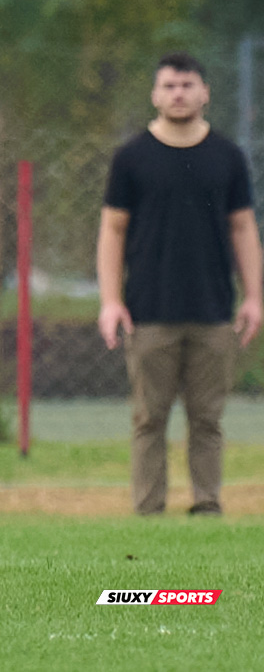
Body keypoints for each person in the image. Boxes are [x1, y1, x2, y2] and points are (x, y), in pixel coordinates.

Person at [97, 52, 263, 516]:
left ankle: (207, 503)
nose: (178, 94)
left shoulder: (227, 157)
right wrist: (111, 300)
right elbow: (112, 230)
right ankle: (149, 509)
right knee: (149, 419)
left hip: (213, 310)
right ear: (155, 94)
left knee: (207, 419)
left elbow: (243, 228)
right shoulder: (132, 158)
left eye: (187, 85)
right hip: (149, 310)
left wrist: (254, 296)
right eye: (169, 86)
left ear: (205, 93)